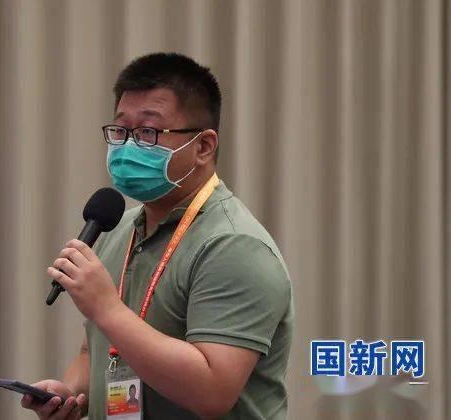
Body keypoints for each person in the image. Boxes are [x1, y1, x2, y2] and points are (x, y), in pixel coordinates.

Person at [21, 52, 293, 420]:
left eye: (148, 133)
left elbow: (213, 391)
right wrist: (71, 394)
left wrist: (106, 308)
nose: (128, 147)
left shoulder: (234, 245)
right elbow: (96, 349)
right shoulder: (117, 230)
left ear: (203, 146)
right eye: (121, 131)